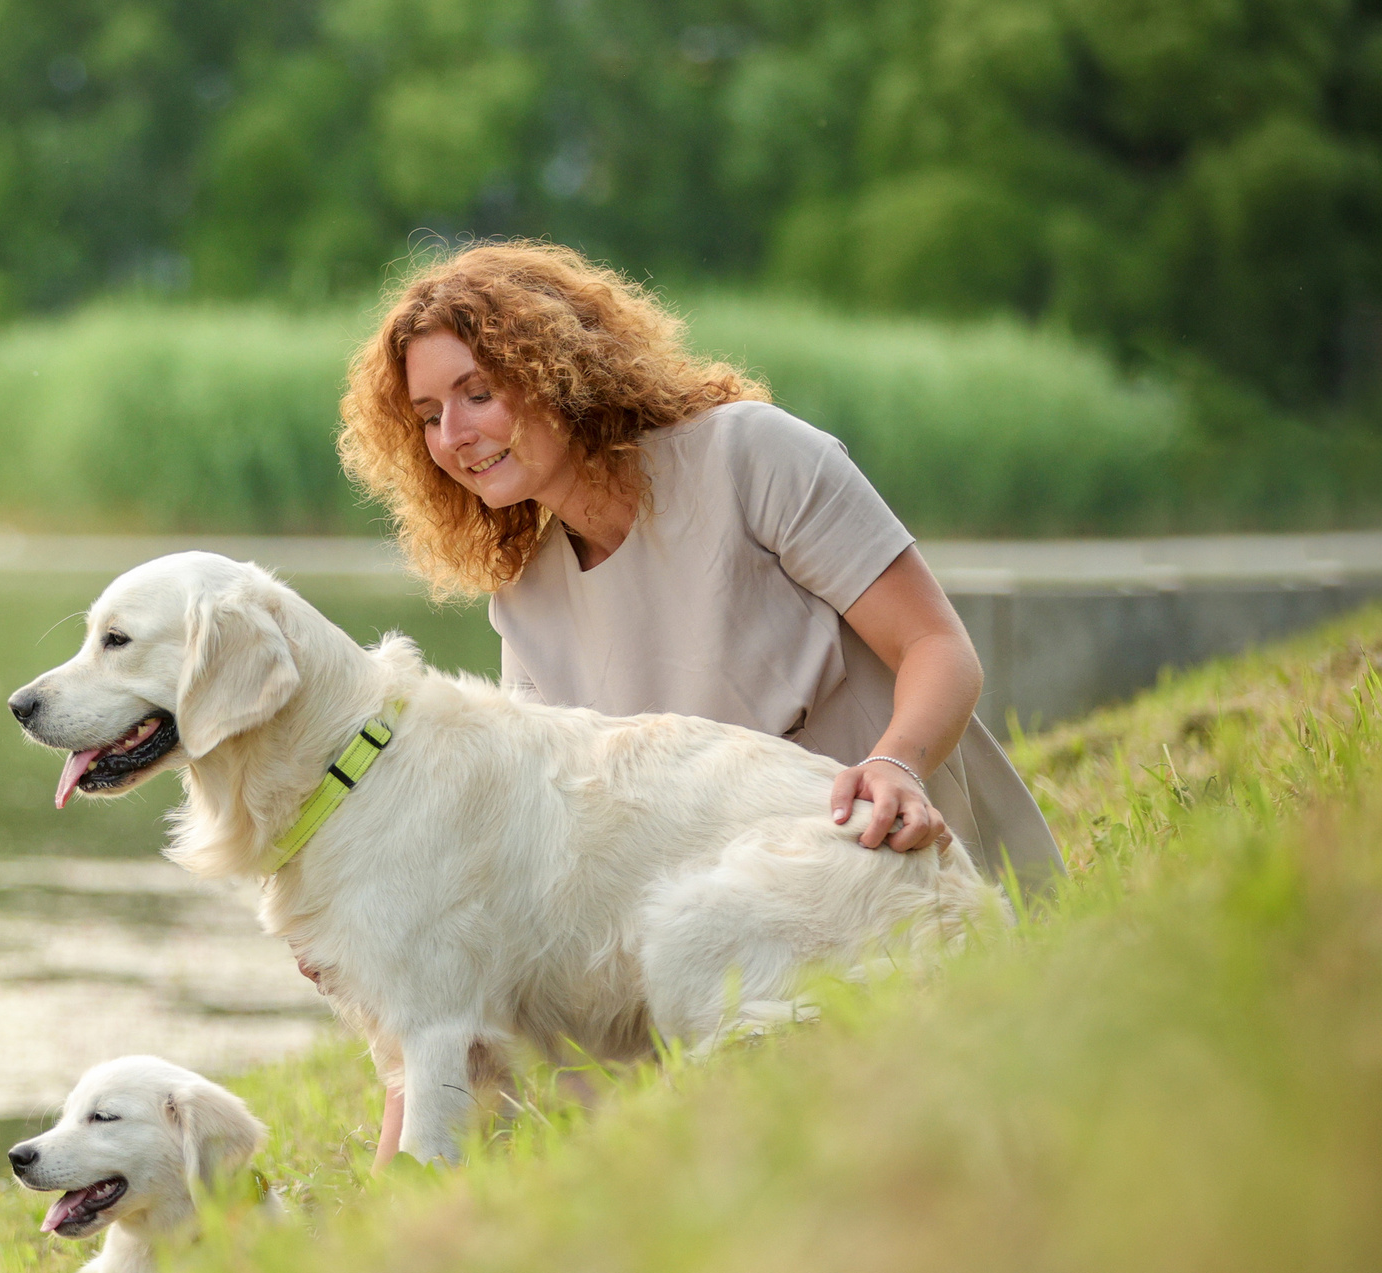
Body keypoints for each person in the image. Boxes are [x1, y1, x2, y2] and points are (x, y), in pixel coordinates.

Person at [336, 240, 1062, 1160]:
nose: (455, 436)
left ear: (556, 366)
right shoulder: (523, 599)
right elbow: (527, 856)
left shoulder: (750, 455)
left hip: (901, 879)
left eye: (478, 391)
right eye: (430, 415)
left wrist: (895, 760)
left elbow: (937, 648)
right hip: (735, 959)